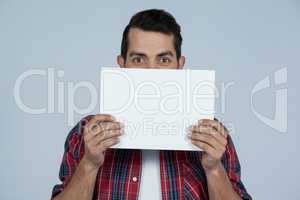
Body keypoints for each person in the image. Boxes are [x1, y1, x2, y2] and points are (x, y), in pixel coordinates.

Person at [51, 9, 252, 200]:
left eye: (163, 60)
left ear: (179, 66)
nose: (151, 71)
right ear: (122, 65)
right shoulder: (86, 134)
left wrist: (214, 168)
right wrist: (89, 163)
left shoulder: (211, 134)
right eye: (138, 59)